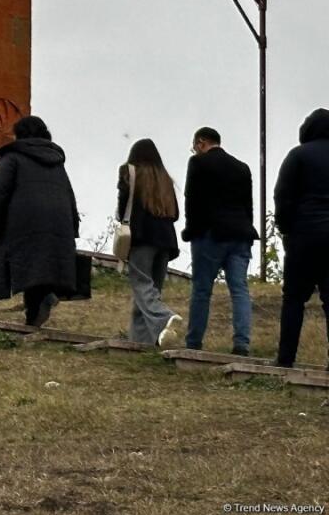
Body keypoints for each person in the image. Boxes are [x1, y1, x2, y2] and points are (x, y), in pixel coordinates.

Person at [0, 115, 79, 327]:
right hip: (58, 221)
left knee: (27, 267)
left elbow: (0, 192)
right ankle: (35, 314)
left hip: (23, 220)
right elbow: (69, 193)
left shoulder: (12, 157)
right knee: (40, 268)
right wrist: (74, 226)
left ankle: (35, 313)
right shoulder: (57, 161)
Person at [182, 126, 257, 356]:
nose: (195, 151)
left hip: (210, 235)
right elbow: (248, 206)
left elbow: (191, 201)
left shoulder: (198, 164)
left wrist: (190, 231)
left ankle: (194, 342)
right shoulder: (242, 168)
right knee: (239, 289)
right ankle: (242, 343)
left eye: (195, 146)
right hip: (240, 234)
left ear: (201, 142)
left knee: (202, 290)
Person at [273, 109, 329, 368]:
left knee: (294, 299)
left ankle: (285, 360)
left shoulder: (298, 156)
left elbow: (282, 196)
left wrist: (286, 228)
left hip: (304, 235)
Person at [116, 139, 183, 347]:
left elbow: (122, 206)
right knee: (150, 290)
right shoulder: (165, 178)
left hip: (142, 236)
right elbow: (176, 214)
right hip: (166, 240)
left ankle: (165, 318)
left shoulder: (130, 171)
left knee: (142, 285)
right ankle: (142, 341)